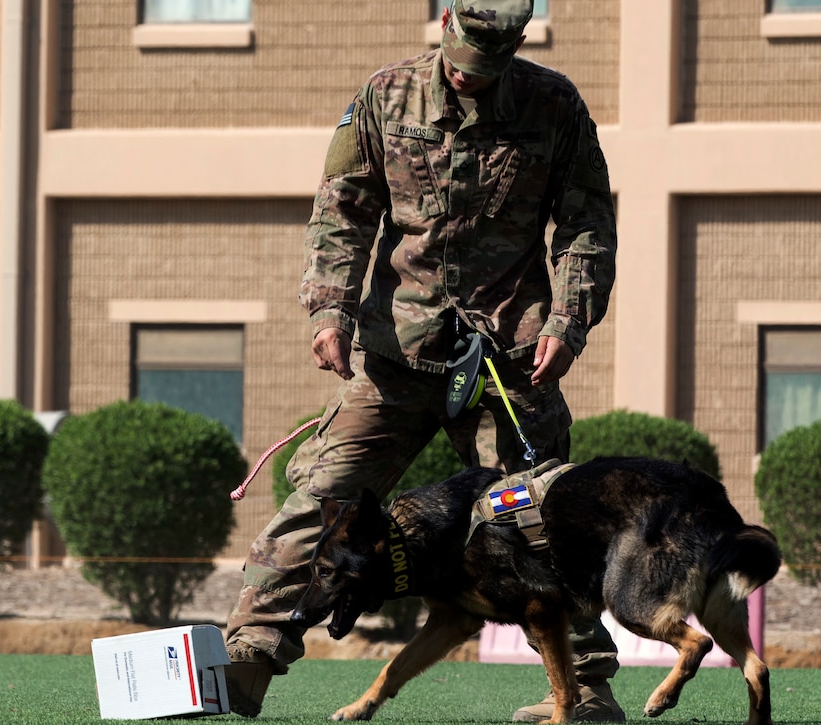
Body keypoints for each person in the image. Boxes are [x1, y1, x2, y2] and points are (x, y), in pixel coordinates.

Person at [223, 0, 620, 721]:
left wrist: (569, 318)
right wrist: (329, 309)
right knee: (325, 493)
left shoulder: (553, 104)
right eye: (466, 64)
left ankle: (587, 686)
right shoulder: (384, 97)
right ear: (445, 27)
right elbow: (342, 210)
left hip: (509, 352)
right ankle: (249, 654)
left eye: (490, 69)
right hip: (395, 348)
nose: (473, 81)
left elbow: (588, 219)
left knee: (541, 518)